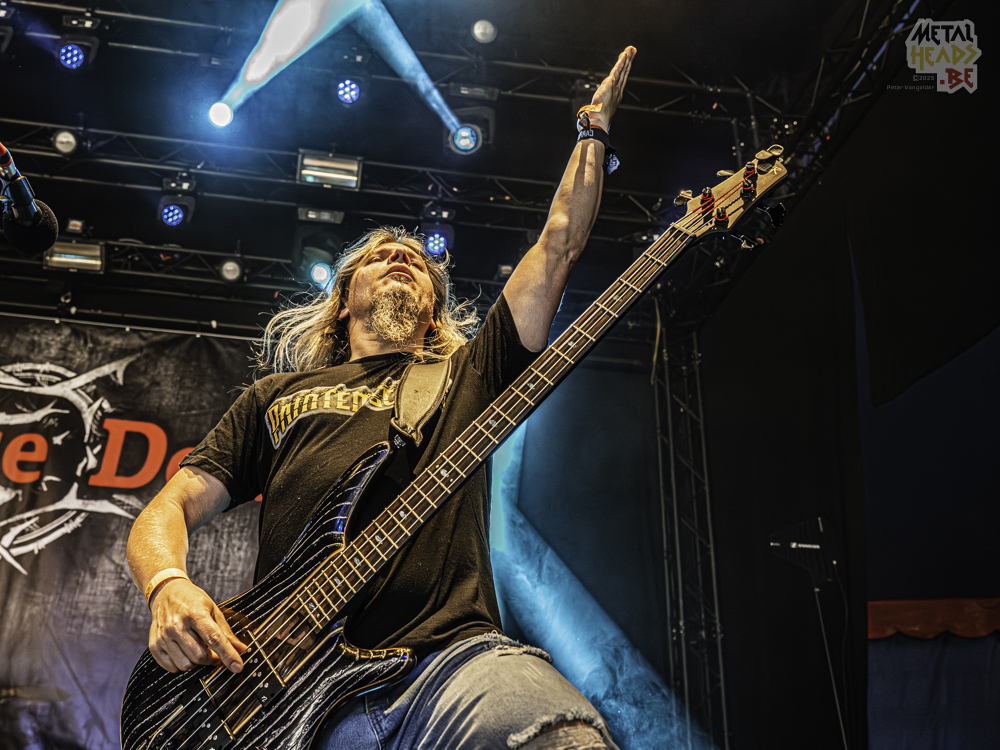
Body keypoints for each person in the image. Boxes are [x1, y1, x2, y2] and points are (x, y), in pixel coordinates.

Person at [127, 46, 636, 750]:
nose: (402, 256)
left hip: (451, 664)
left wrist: (592, 135)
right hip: (294, 701)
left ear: (433, 310)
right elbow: (168, 508)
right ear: (343, 302)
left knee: (563, 739)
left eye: (419, 262)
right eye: (379, 256)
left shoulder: (470, 374)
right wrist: (167, 585)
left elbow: (557, 245)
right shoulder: (277, 396)